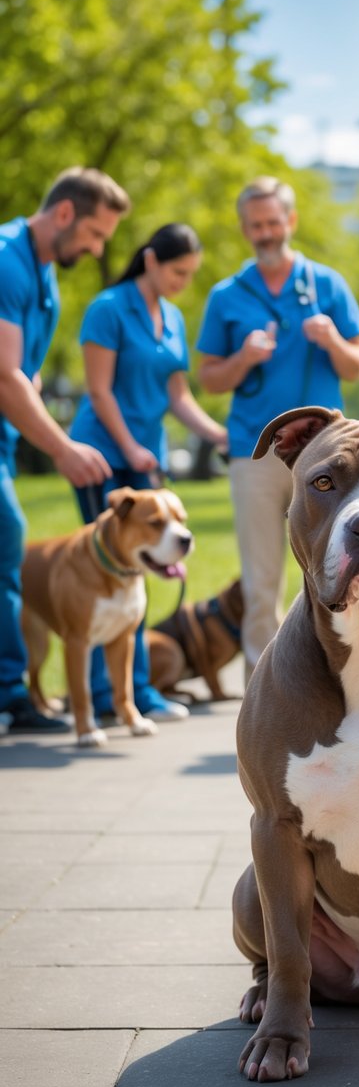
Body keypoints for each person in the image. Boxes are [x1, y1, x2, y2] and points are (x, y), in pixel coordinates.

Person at [197, 176, 359, 680]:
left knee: (331, 565)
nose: (266, 234)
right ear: (245, 228)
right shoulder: (227, 295)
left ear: (290, 222)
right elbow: (208, 378)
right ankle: (265, 685)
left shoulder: (327, 285)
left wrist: (333, 339)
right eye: (256, 226)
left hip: (324, 455)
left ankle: (330, 674)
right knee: (261, 575)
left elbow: (357, 366)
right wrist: (243, 358)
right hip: (254, 451)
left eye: (274, 223)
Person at [70, 223, 229, 723]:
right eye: (178, 271)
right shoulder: (108, 309)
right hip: (102, 457)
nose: (184, 280)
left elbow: (178, 396)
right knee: (101, 580)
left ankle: (134, 692)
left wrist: (218, 434)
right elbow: (99, 391)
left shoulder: (174, 318)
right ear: (152, 260)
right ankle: (103, 695)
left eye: (190, 273)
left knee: (136, 582)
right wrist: (131, 447)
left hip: (144, 459)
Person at [0, 167, 130, 733]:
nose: (97, 248)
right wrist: (62, 448)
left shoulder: (43, 272)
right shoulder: (7, 261)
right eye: (96, 235)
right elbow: (6, 376)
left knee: (6, 545)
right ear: (65, 214)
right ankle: (11, 694)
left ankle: (11, 693)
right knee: (8, 542)